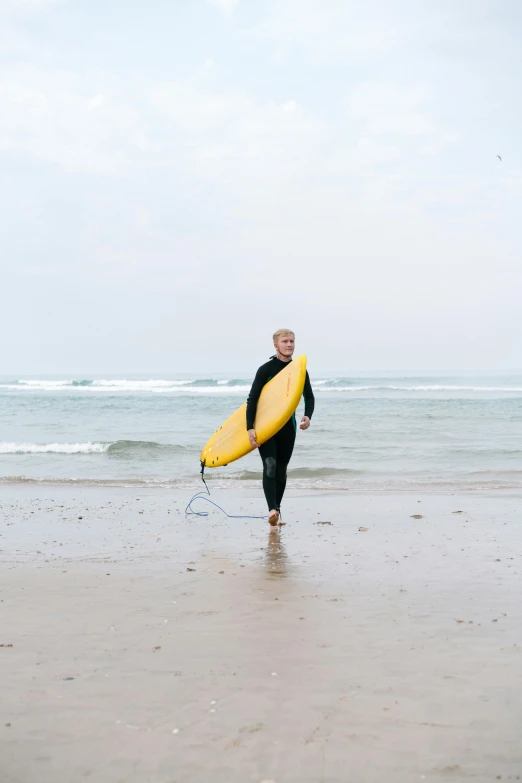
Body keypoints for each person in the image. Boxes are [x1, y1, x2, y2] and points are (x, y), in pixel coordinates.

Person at [246, 329, 315, 526]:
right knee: (270, 466)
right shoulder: (265, 370)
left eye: (292, 341)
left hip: (288, 428)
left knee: (282, 470)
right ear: (276, 346)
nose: (290, 345)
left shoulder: (299, 370)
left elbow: (309, 396)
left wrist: (308, 415)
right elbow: (252, 399)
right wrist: (249, 427)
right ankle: (272, 510)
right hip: (266, 427)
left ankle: (277, 510)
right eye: (285, 341)